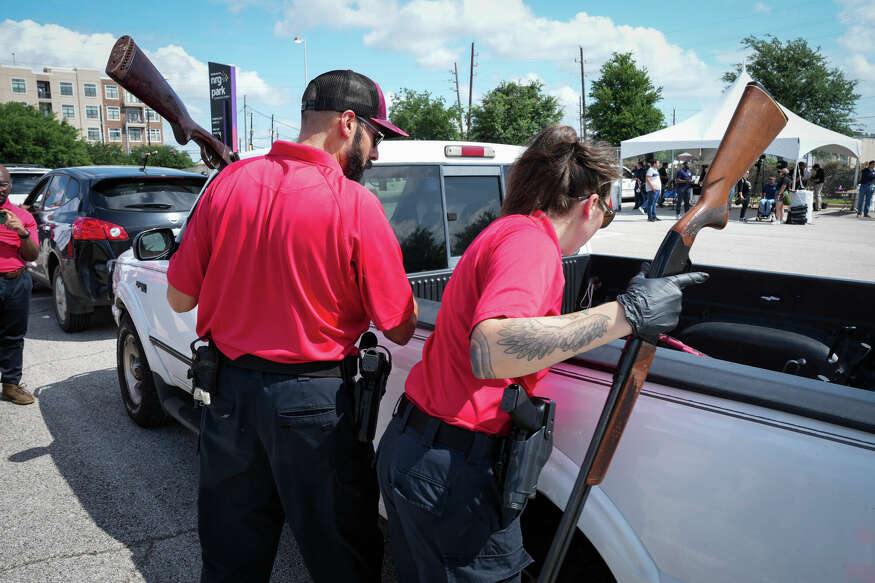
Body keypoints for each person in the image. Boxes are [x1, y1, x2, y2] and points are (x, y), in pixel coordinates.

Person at [376, 125, 708, 583]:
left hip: (416, 451)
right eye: (606, 216)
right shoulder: (531, 243)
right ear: (591, 205)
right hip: (452, 472)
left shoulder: (507, 230)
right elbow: (492, 349)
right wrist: (626, 313)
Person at [166, 70, 419, 583]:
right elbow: (400, 328)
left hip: (229, 397)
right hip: (315, 406)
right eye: (377, 137)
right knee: (341, 558)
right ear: (348, 123)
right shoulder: (356, 205)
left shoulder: (227, 185)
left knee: (230, 559)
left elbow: (178, 297)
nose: (376, 155)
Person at [0, 165, 38, 406]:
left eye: (2, 184)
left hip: (16, 282)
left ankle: (11, 386)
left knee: (13, 337)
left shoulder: (23, 217)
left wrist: (22, 233)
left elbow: (32, 255)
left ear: (10, 186)